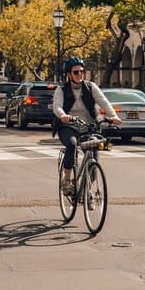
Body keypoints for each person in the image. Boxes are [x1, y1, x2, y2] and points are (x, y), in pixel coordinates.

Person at [52, 57, 120, 196]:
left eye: (82, 71)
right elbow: (57, 106)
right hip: (68, 126)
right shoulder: (61, 90)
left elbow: (103, 101)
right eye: (76, 72)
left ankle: (88, 188)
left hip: (88, 126)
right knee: (71, 144)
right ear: (69, 74)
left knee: (93, 158)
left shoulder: (90, 87)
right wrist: (63, 115)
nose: (80, 75)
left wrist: (114, 116)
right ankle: (67, 180)